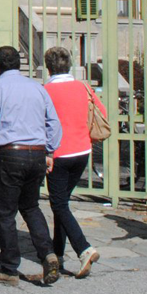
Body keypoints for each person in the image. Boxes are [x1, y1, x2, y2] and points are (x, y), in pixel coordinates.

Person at [0, 45, 62, 286]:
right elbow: (53, 122)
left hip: (11, 153)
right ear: (19, 64)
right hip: (36, 153)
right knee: (31, 206)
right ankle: (48, 253)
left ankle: (9, 267)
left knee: (4, 212)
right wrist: (50, 150)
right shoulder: (38, 88)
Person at [43, 46, 106, 278]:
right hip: (82, 151)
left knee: (58, 204)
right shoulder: (83, 87)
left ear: (49, 66)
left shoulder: (46, 90)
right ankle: (58, 253)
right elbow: (102, 112)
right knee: (62, 202)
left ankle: (83, 249)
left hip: (58, 154)